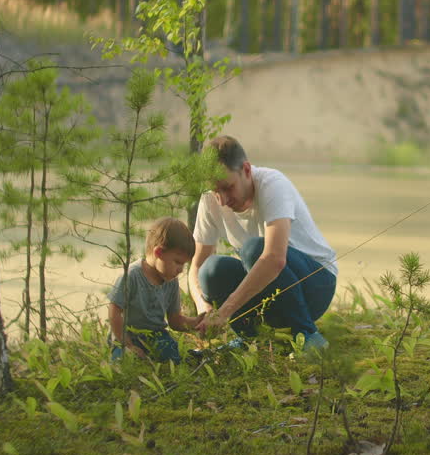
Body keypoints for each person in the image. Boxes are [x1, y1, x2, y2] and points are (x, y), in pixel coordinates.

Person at [191, 136, 337, 350]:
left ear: (247, 170)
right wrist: (203, 307)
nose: (222, 199)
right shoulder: (210, 201)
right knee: (211, 270)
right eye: (215, 190)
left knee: (254, 250)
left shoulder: (272, 184)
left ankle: (307, 336)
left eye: (228, 187)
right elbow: (196, 265)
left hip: (315, 285)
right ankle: (250, 340)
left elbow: (274, 259)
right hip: (269, 290)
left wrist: (224, 312)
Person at [108, 217, 202, 363]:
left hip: (156, 335)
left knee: (172, 356)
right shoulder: (132, 276)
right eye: (177, 262)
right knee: (123, 361)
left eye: (184, 265)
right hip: (127, 336)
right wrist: (128, 345)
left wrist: (197, 323)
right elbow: (114, 313)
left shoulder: (171, 282)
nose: (180, 270)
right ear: (158, 252)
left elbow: (175, 320)